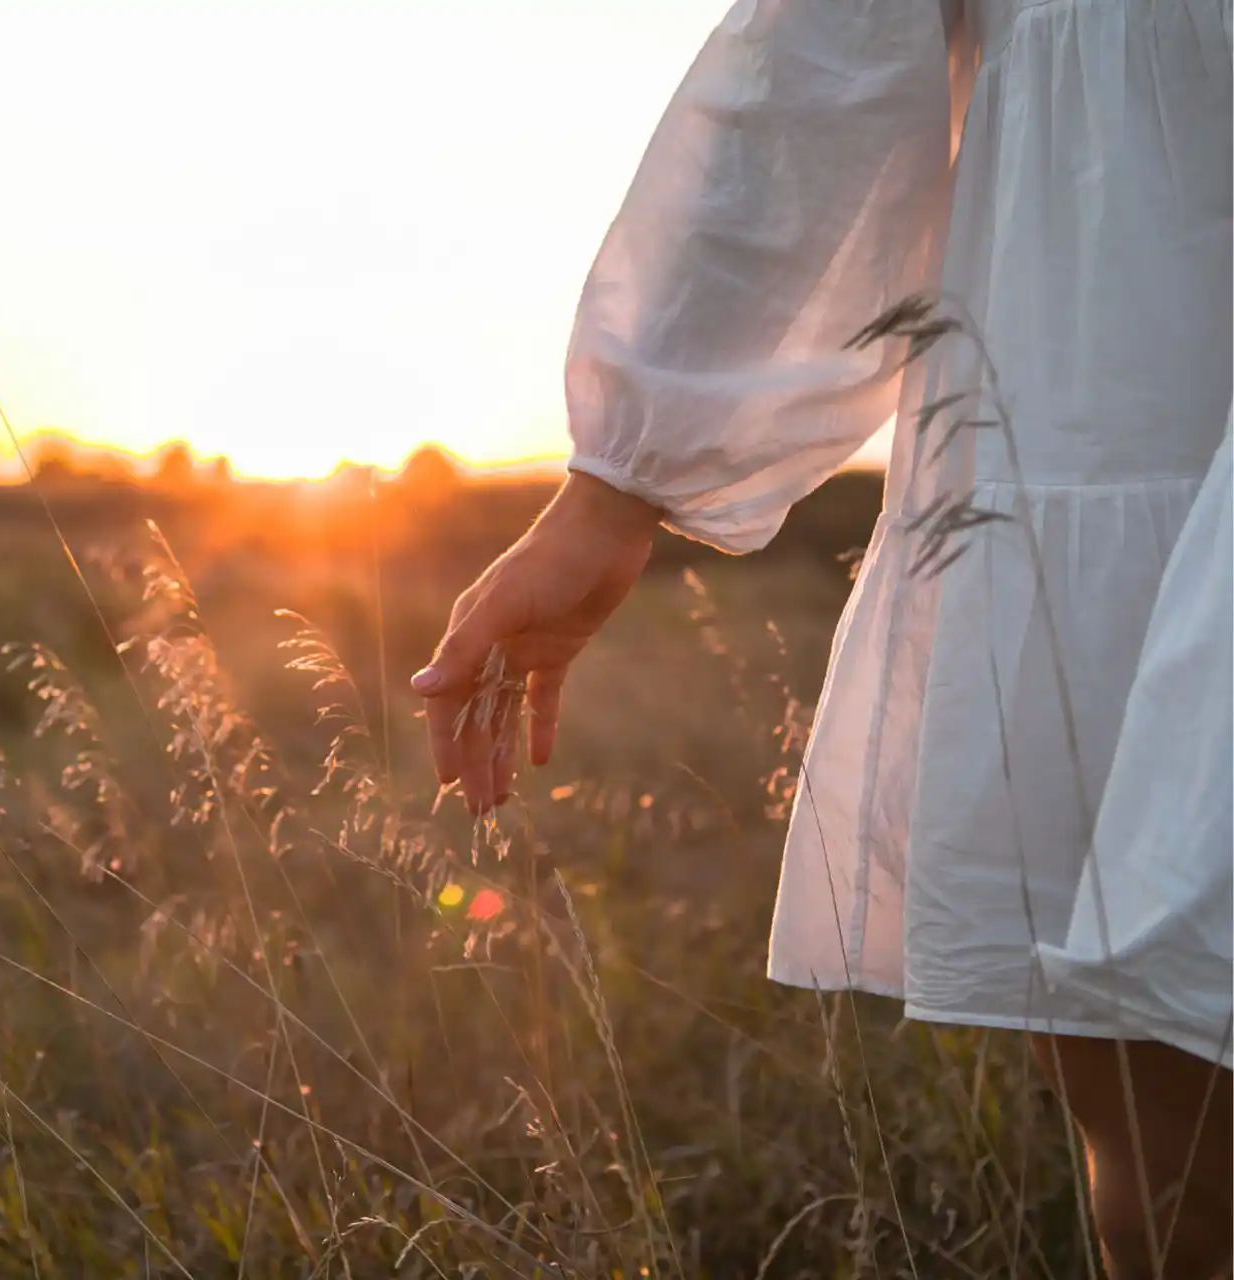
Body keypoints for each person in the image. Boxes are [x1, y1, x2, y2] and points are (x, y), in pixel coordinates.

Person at [410, 2, 1233, 1277]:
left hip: (1115, 386)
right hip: (1125, 372)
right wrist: (615, 488)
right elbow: (825, 60)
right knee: (1175, 1154)